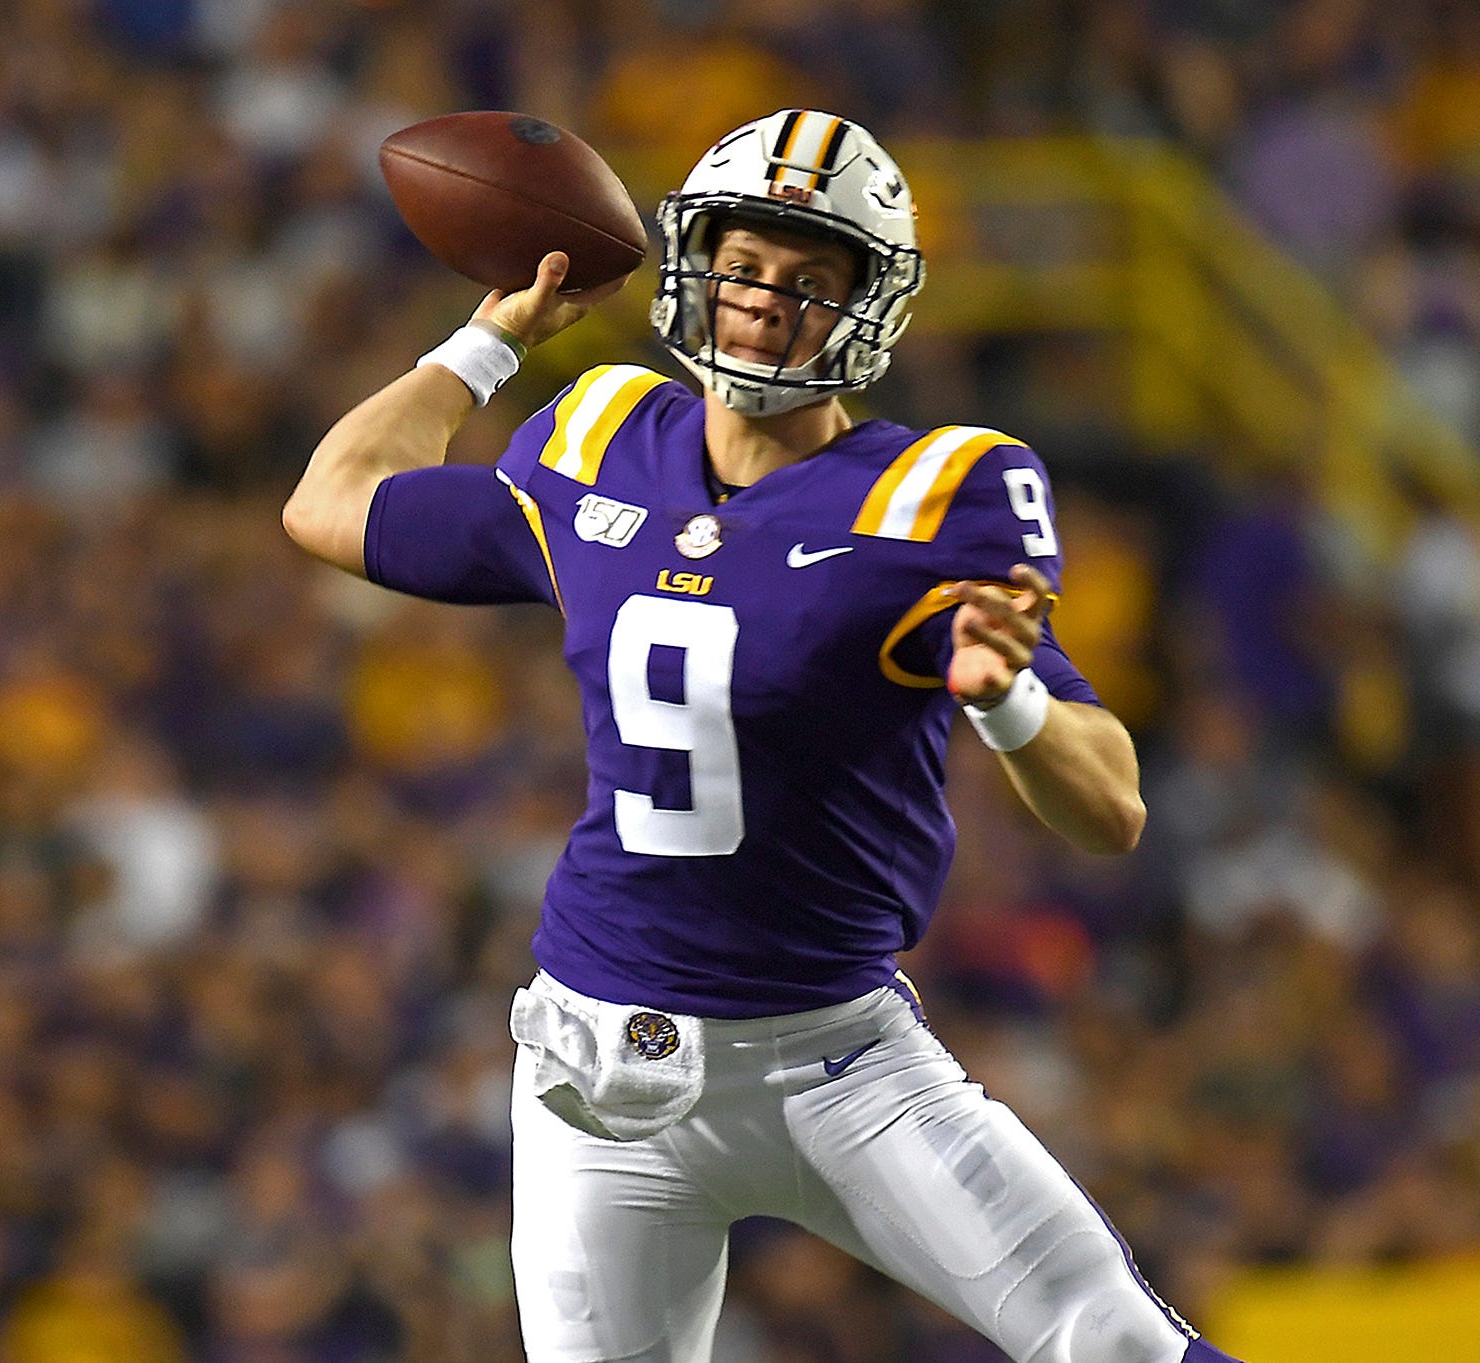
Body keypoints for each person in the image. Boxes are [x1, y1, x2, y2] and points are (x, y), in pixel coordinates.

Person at [284, 109, 1240, 1363]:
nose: (761, 302)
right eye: (744, 266)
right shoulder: (600, 441)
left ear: (868, 309)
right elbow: (332, 502)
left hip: (836, 1060)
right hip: (600, 1070)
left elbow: (1111, 808)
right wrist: (482, 345)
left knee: (1111, 1341)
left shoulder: (931, 495)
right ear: (695, 264)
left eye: (808, 280)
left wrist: (1002, 696)